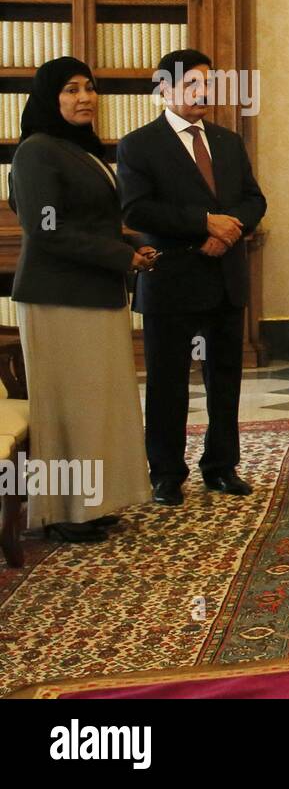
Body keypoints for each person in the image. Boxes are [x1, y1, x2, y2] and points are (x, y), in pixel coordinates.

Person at [9, 57, 154, 542]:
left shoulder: (80, 150)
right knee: (67, 406)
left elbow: (92, 224)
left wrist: (130, 246)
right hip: (58, 297)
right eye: (71, 90)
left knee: (97, 403)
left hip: (95, 291)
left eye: (89, 88)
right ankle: (62, 512)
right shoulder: (37, 151)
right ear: (50, 98)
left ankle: (92, 502)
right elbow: (47, 231)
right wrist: (121, 257)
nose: (84, 97)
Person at [116, 49, 267, 506]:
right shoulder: (138, 145)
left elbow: (253, 200)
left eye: (207, 84)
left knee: (225, 379)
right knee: (167, 383)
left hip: (224, 275)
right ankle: (165, 473)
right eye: (190, 85)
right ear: (164, 88)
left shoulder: (226, 142)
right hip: (171, 279)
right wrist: (205, 223)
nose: (202, 94)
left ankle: (221, 467)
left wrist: (229, 230)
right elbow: (138, 209)